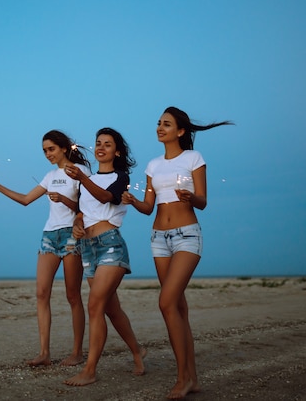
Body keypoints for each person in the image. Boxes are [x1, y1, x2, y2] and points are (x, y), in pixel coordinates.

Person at [122, 106, 232, 399]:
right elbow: (148, 208)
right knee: (178, 309)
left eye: (166, 124)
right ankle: (192, 379)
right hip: (159, 238)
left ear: (181, 131)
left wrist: (190, 197)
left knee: (166, 302)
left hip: (187, 236)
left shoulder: (194, 158)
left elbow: (203, 201)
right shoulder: (153, 165)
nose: (160, 128)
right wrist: (133, 201)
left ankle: (182, 377)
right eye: (158, 123)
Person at [0, 130, 90, 367]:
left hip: (72, 236)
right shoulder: (50, 175)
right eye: (44, 150)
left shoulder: (80, 172)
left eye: (51, 149)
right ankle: (44, 353)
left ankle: (77, 352)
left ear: (64, 148)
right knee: (42, 293)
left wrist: (64, 200)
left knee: (73, 295)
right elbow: (25, 199)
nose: (47, 154)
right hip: (49, 236)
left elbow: (87, 207)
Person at [63, 127, 146, 386]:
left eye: (107, 144)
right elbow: (82, 211)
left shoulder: (121, 177)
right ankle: (137, 350)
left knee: (95, 306)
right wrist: (77, 223)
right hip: (87, 249)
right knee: (111, 309)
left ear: (116, 151)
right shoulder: (87, 181)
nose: (100, 147)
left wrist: (82, 178)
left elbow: (106, 197)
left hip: (110, 246)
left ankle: (89, 370)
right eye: (98, 143)